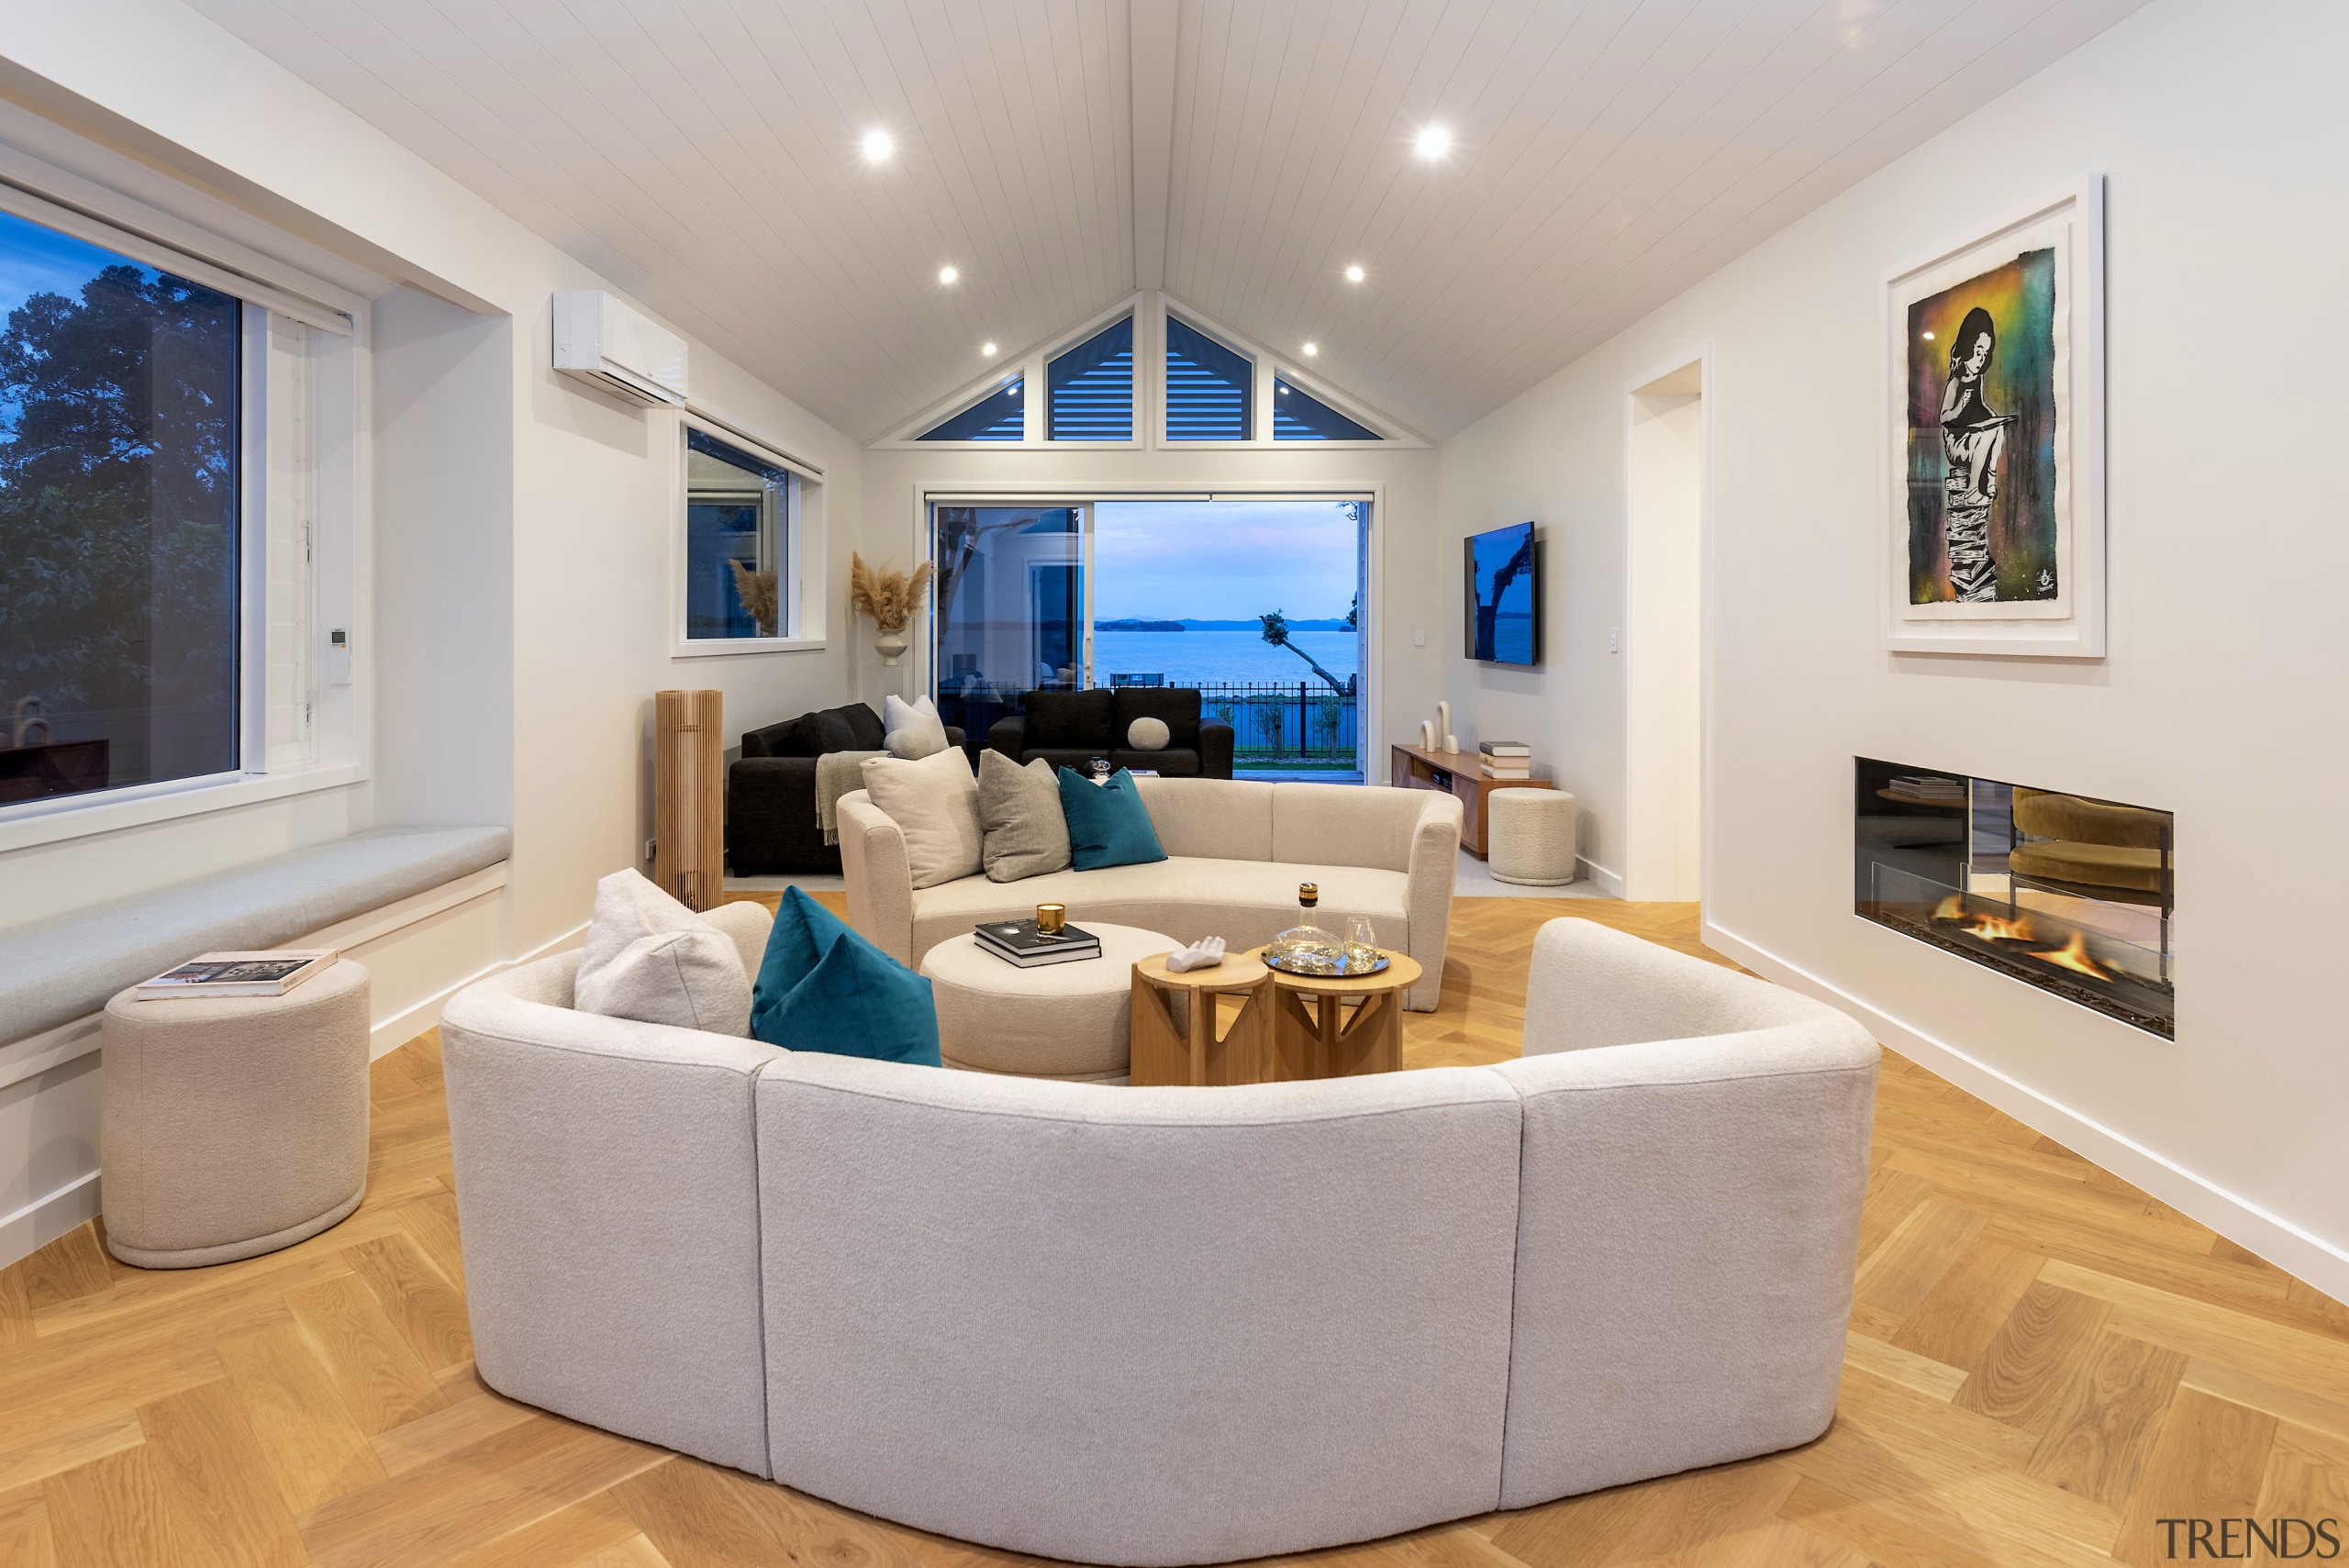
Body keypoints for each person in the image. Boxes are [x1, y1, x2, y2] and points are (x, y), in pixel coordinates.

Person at [1938, 306, 2013, 602]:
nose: (1981, 357)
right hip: (1956, 446)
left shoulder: (1977, 379)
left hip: (1972, 438)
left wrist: (1993, 419)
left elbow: (1979, 409)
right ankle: (1972, 490)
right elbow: (1945, 417)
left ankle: (1988, 480)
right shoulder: (1956, 381)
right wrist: (1961, 409)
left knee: (1997, 431)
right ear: (1967, 346)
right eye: (1978, 350)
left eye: (1986, 352)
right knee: (1985, 435)